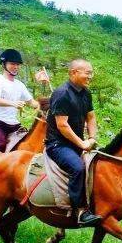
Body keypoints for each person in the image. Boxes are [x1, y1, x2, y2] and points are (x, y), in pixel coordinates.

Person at [45, 59, 102, 226]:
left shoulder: (86, 93)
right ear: (73, 73)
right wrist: (82, 144)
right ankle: (79, 211)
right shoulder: (62, 93)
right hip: (58, 145)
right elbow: (62, 125)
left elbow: (91, 117)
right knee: (77, 168)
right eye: (87, 72)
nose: (90, 76)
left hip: (76, 143)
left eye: (91, 73)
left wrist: (91, 138)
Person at [0, 48, 40, 152]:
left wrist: (45, 105)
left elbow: (31, 102)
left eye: (17, 64)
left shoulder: (19, 85)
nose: (16, 67)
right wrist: (13, 104)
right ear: (4, 64)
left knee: (27, 145)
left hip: (14, 125)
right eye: (12, 64)